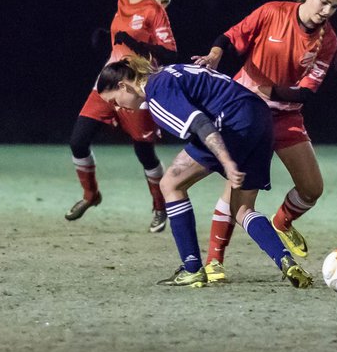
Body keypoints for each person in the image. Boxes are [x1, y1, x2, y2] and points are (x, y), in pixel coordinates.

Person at [96, 56, 313, 289]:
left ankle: (191, 269)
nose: (118, 108)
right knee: (241, 209)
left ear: (122, 85)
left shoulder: (157, 90)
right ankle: (286, 261)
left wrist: (227, 161)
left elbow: (200, 123)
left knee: (170, 184)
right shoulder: (171, 72)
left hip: (231, 122)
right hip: (261, 117)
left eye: (114, 101)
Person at [190, 0, 337, 284]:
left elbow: (305, 92)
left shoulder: (327, 39)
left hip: (286, 116)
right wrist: (214, 54)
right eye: (324, 3)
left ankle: (282, 221)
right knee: (239, 196)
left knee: (312, 188)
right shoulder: (272, 12)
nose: (327, 12)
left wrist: (269, 91)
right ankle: (214, 262)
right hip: (246, 114)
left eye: (334, 7)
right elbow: (229, 37)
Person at [66, 0, 178, 233]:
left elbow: (170, 53)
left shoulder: (155, 10)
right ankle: (91, 195)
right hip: (108, 81)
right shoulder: (122, 2)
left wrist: (137, 46)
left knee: (144, 153)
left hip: (137, 89)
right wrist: (109, 38)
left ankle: (159, 206)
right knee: (78, 141)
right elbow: (122, 40)